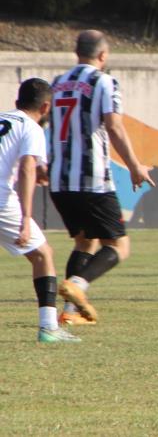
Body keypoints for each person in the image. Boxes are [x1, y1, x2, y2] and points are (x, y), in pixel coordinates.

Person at [49, 30, 154, 325]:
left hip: (60, 180)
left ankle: (69, 314)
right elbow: (114, 126)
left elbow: (49, 125)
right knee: (118, 246)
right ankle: (77, 286)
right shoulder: (104, 82)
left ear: (77, 52)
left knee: (85, 243)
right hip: (92, 180)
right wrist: (134, 165)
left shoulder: (57, 84)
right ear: (103, 55)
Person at [0, 78, 80, 342]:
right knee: (43, 254)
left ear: (16, 102)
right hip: (2, 200)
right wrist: (24, 218)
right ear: (46, 107)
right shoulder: (32, 128)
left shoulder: (4, 119)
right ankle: (49, 328)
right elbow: (25, 168)